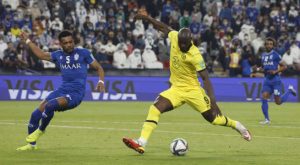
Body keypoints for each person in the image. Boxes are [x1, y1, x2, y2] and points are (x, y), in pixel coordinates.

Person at [122, 9, 252, 154]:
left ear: (190, 41)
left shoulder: (195, 54)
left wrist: (213, 102)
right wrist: (147, 18)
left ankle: (238, 126)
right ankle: (141, 143)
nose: (182, 46)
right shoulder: (174, 37)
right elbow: (162, 27)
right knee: (155, 108)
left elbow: (206, 78)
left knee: (214, 120)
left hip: (193, 90)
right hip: (176, 89)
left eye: (185, 44)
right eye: (181, 43)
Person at [16, 30, 105, 151]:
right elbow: (41, 55)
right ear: (61, 44)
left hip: (76, 94)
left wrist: (101, 81)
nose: (69, 44)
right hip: (62, 90)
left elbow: (99, 67)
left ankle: (41, 130)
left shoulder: (84, 53)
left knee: (50, 105)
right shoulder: (57, 55)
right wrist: (27, 40)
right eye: (66, 43)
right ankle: (32, 145)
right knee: (35, 114)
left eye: (71, 42)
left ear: (73, 41)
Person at [252, 38, 297, 125]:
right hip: (267, 81)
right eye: (267, 44)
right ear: (265, 45)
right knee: (264, 97)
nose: (269, 45)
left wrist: (275, 71)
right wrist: (257, 69)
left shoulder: (276, 55)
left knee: (278, 102)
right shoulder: (263, 55)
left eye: (271, 44)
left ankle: (289, 90)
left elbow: (284, 66)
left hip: (276, 81)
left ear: (273, 45)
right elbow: (263, 67)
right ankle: (267, 119)